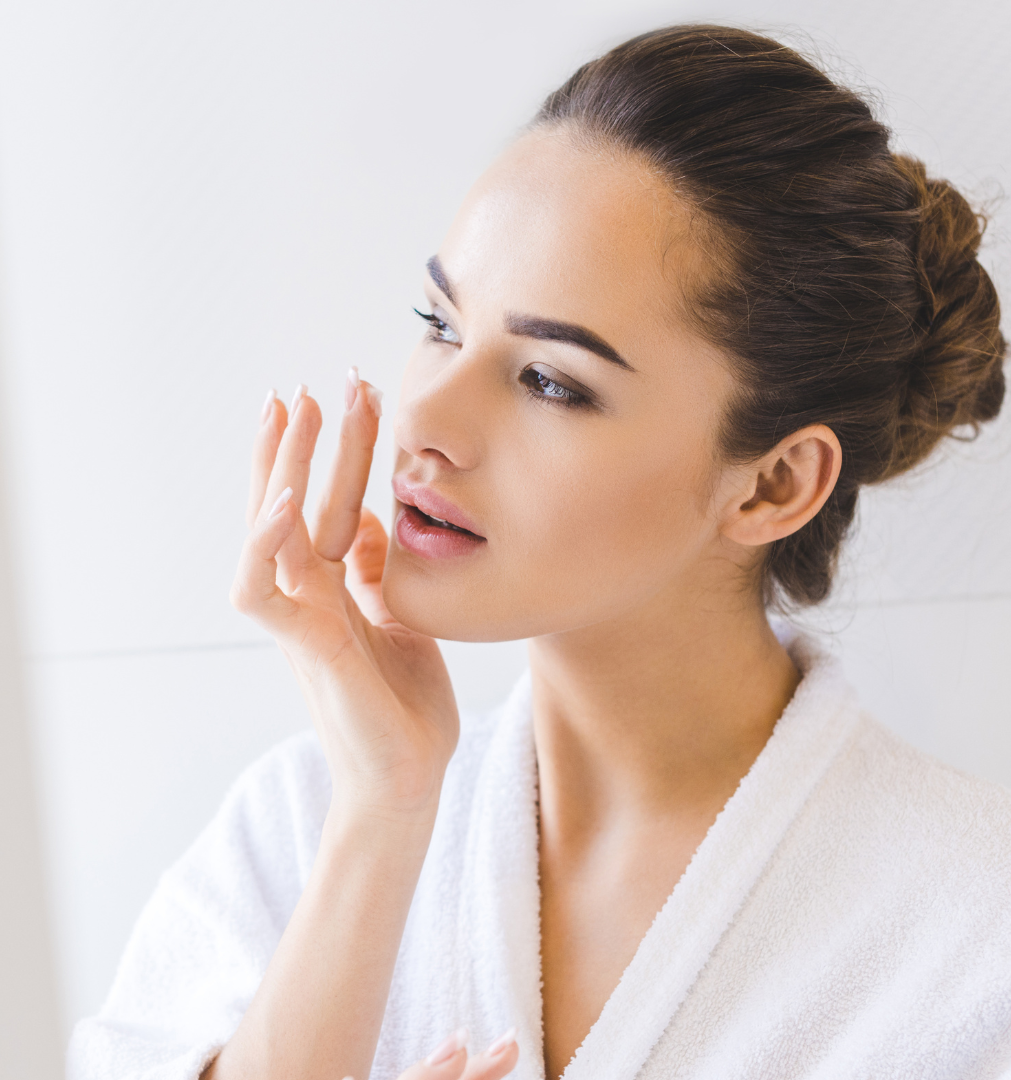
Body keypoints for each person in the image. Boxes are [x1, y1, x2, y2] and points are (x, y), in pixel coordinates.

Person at [68, 24, 1011, 1080]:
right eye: (439, 321)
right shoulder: (298, 834)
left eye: (551, 381)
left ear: (775, 482)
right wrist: (384, 810)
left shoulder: (974, 936)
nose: (423, 419)